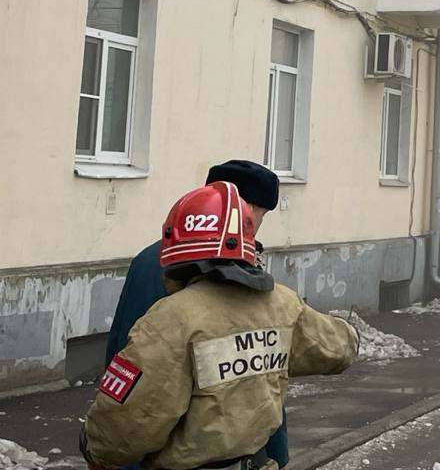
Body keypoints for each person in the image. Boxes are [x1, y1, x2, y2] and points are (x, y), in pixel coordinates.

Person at [81, 181, 358, 470]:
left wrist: (93, 447)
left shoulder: (170, 319)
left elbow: (125, 428)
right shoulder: (282, 305)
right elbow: (339, 348)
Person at [106, 160, 290, 468]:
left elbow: (120, 355)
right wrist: (277, 451)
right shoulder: (229, 270)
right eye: (260, 213)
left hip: (148, 438)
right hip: (201, 448)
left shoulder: (153, 256)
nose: (258, 224)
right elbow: (258, 362)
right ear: (241, 208)